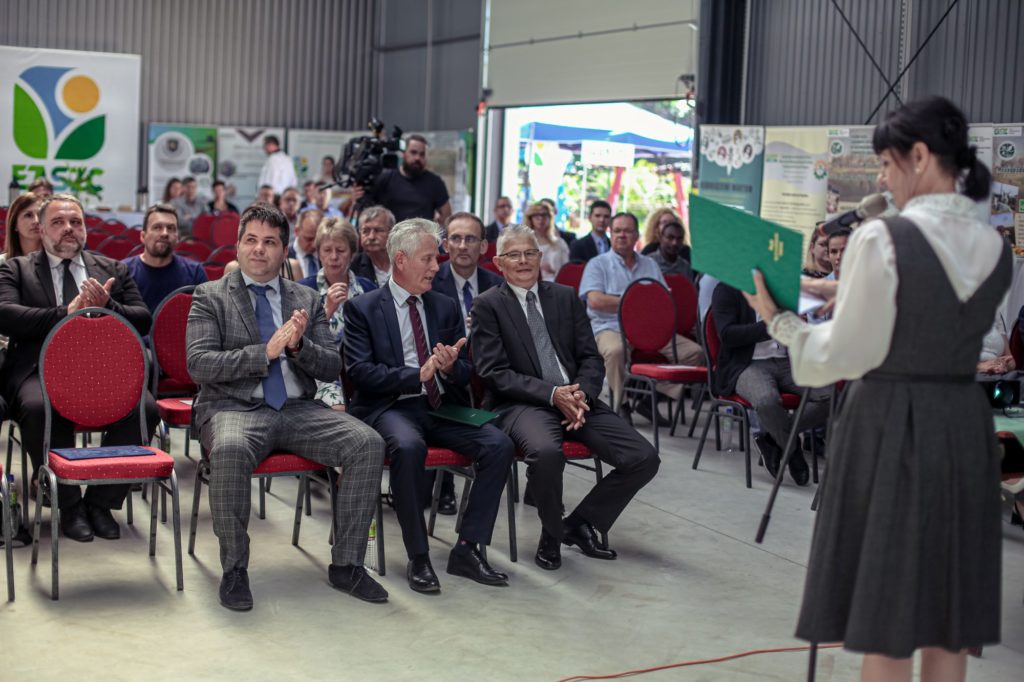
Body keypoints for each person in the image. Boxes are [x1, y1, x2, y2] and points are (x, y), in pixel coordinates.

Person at [743, 96, 1006, 681]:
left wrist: (778, 318)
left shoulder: (882, 238)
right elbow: (931, 308)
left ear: (918, 155)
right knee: (947, 614)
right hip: (963, 425)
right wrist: (841, 292)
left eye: (886, 164)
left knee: (885, 615)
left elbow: (843, 353)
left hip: (892, 424)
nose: (882, 178)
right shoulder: (992, 243)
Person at [185, 202, 388, 611]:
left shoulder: (306, 298)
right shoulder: (209, 296)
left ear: (284, 251)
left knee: (367, 443)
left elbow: (331, 365)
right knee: (228, 450)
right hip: (233, 409)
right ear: (238, 246)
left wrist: (297, 347)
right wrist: (266, 352)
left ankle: (347, 564)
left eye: (270, 243)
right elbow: (198, 363)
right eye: (251, 241)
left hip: (298, 409)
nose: (259, 250)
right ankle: (235, 570)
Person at [471, 223, 660, 570]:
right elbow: (494, 373)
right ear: (498, 263)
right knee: (546, 453)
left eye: (530, 252)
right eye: (514, 254)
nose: (524, 260)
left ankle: (580, 523)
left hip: (576, 398)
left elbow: (591, 357)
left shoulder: (564, 297)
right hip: (521, 404)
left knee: (643, 457)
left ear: (541, 256)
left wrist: (580, 395)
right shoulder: (488, 305)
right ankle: (551, 531)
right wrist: (552, 394)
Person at [343, 218, 514, 594]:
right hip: (389, 407)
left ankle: (468, 548)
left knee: (499, 444)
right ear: (401, 260)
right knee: (408, 446)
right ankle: (418, 556)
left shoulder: (444, 305)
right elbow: (360, 373)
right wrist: (414, 376)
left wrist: (452, 368)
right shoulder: (364, 309)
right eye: (428, 259)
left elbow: (465, 368)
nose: (438, 267)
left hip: (439, 407)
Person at [0, 193, 155, 543]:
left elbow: (143, 320)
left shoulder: (113, 269)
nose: (69, 229)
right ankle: (69, 505)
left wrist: (108, 305)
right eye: (58, 222)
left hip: (104, 371)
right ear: (41, 229)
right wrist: (63, 314)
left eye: (76, 222)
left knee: (144, 408)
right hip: (37, 370)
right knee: (39, 407)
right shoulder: (16, 269)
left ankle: (101, 502)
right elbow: (5, 314)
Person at [579, 212, 704, 419]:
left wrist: (626, 303)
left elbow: (662, 301)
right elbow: (596, 301)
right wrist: (636, 302)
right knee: (615, 350)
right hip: (610, 326)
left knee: (695, 353)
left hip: (649, 329)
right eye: (617, 231)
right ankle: (622, 405)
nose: (622, 235)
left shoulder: (649, 264)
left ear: (637, 235)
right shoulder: (597, 263)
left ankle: (651, 399)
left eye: (627, 231)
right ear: (611, 233)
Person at [710, 282, 829, 484]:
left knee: (830, 393)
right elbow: (727, 335)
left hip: (786, 360)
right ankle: (792, 451)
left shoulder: (779, 286)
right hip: (747, 364)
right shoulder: (727, 288)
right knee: (767, 401)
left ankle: (775, 439)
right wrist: (769, 327)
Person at [298, 217, 376, 409]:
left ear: (352, 254)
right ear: (319, 253)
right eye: (327, 250)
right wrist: (327, 310)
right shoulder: (304, 289)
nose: (333, 257)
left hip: (363, 370)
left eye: (340, 250)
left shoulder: (367, 288)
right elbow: (298, 342)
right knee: (339, 410)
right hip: (321, 372)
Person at [123, 203, 208, 312]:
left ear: (177, 238)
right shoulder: (123, 272)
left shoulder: (195, 272)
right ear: (143, 236)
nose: (165, 233)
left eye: (171, 228)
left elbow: (206, 318)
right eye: (157, 227)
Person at [353, 135, 452, 223]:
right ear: (404, 153)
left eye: (422, 154)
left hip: (421, 240)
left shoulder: (434, 182)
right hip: (390, 240)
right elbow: (365, 210)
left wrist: (435, 236)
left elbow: (446, 215)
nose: (417, 158)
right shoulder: (385, 178)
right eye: (413, 152)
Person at [433, 212, 504, 334]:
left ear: (483, 246)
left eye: (470, 239)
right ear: (445, 245)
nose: (462, 246)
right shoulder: (431, 283)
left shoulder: (498, 286)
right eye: (455, 238)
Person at [350, 205, 394, 287]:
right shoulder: (353, 266)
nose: (371, 237)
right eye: (365, 231)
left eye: (378, 230)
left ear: (391, 232)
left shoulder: (405, 261)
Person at [524, 202, 569, 282]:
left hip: (556, 285)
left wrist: (551, 270)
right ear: (530, 218)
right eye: (536, 215)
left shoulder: (560, 243)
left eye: (544, 215)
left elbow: (567, 271)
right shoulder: (522, 243)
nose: (541, 219)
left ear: (550, 218)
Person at [2, 191, 43, 266]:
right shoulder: (2, 263)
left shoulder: (57, 263)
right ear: (15, 224)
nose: (36, 221)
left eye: (40, 214)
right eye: (28, 215)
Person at [289, 209, 322, 279]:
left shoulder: (327, 256)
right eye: (309, 239)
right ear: (296, 231)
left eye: (318, 239)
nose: (314, 245)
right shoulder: (284, 258)